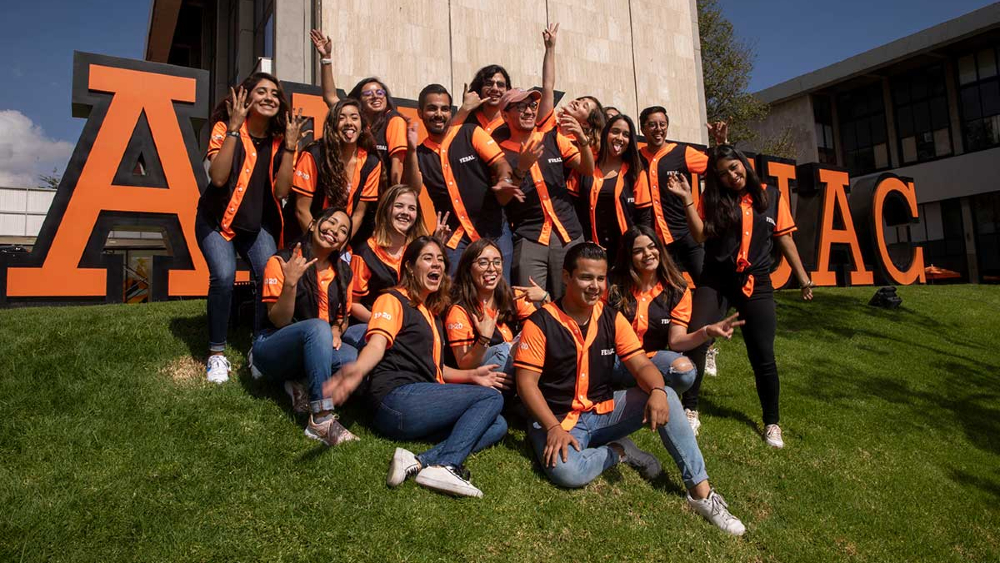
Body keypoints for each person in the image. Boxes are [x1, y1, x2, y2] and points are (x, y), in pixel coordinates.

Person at [513, 242, 746, 535]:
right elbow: (526, 385)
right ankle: (618, 451)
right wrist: (552, 428)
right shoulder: (541, 322)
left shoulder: (611, 317)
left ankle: (702, 494)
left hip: (601, 411)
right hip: (557, 420)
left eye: (600, 278)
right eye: (586, 277)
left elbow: (641, 364)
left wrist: (659, 391)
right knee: (567, 472)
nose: (595, 286)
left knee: (669, 396)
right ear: (566, 277)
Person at [324, 236, 509, 498]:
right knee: (491, 398)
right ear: (409, 266)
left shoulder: (430, 312)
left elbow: (435, 369)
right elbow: (377, 344)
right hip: (396, 399)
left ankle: (419, 461)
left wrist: (471, 375)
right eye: (428, 258)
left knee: (497, 423)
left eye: (441, 260)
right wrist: (357, 370)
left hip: (418, 400)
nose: (437, 265)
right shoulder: (393, 299)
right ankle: (446, 465)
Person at [664, 144, 814, 448]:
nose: (733, 176)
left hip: (756, 283)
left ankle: (772, 422)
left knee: (763, 355)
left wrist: (803, 279)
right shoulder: (714, 199)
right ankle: (690, 407)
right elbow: (699, 236)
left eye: (735, 168)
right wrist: (688, 201)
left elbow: (784, 238)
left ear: (744, 165)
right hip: (716, 279)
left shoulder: (771, 197)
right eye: (724, 173)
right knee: (697, 338)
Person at [197, 72, 308, 383]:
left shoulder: (280, 142)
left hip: (256, 226)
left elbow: (282, 192)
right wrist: (233, 130)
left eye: (274, 93)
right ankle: (217, 353)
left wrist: (289, 149)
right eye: (262, 91)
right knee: (223, 275)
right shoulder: (225, 128)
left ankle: (260, 347)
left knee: (269, 274)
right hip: (216, 222)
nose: (270, 97)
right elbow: (217, 179)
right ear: (245, 97)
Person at [608, 225, 744, 435]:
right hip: (615, 360)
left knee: (685, 371)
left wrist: (707, 331)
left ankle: (646, 394)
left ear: (660, 249)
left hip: (650, 360)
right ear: (628, 256)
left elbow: (677, 342)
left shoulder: (677, 289)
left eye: (652, 247)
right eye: (638, 251)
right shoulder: (614, 284)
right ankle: (638, 393)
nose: (647, 254)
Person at [497, 23, 594, 299]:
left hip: (568, 232)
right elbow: (503, 200)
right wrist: (521, 168)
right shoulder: (497, 150)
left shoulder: (550, 136)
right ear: (505, 115)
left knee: (574, 298)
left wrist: (550, 48)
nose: (529, 109)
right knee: (530, 302)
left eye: (531, 105)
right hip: (531, 236)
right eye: (520, 106)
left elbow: (587, 169)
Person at [249, 207, 360, 445]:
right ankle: (321, 419)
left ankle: (299, 384)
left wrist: (336, 330)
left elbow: (344, 318)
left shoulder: (344, 273)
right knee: (318, 328)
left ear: (344, 243)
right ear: (312, 224)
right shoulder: (282, 260)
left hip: (312, 347)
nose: (334, 231)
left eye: (343, 231)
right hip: (272, 346)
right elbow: (278, 320)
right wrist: (290, 283)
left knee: (355, 359)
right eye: (330, 222)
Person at [405, 83, 522, 276]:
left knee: (500, 294)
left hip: (494, 230)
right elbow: (412, 189)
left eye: (444, 108)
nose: (438, 114)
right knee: (454, 295)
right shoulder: (420, 154)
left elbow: (501, 163)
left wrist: (505, 181)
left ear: (451, 111)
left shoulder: (470, 132)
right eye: (432, 108)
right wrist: (410, 151)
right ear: (420, 112)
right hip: (454, 238)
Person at [310, 29, 407, 186]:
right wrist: (326, 58)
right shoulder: (355, 122)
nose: (376, 96)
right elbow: (330, 97)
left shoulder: (394, 120)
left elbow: (397, 165)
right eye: (368, 93)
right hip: (356, 194)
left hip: (382, 198)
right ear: (358, 101)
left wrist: (393, 199)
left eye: (380, 92)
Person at [343, 183, 433, 349]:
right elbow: (354, 305)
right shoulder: (365, 252)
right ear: (386, 210)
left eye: (411, 208)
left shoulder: (418, 251)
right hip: (370, 325)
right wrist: (386, 321)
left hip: (410, 326)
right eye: (399, 206)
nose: (405, 212)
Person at [445, 238, 549, 379]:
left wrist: (545, 299)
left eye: (497, 262)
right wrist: (483, 339)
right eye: (483, 262)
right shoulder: (459, 310)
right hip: (479, 377)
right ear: (468, 268)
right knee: (505, 350)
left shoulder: (514, 296)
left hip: (516, 368)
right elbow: (465, 365)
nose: (492, 268)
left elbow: (546, 332)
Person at [287, 98, 381, 249]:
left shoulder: (372, 163)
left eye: (354, 118)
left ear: (362, 125)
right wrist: (320, 247)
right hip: (305, 238)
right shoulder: (314, 155)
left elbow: (358, 214)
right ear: (332, 126)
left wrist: (339, 246)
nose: (349, 122)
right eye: (341, 118)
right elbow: (301, 210)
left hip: (340, 242)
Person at [638, 106, 714, 283]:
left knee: (707, 282)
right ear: (642, 129)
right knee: (667, 289)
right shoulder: (637, 158)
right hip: (657, 241)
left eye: (662, 124)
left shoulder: (682, 152)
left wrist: (704, 205)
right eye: (652, 125)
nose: (658, 129)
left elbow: (717, 169)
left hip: (687, 234)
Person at [570, 114, 651, 264]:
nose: (620, 137)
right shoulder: (587, 164)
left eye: (626, 134)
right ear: (606, 133)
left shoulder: (636, 172)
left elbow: (644, 217)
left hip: (625, 254)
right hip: (590, 253)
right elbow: (572, 207)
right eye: (615, 131)